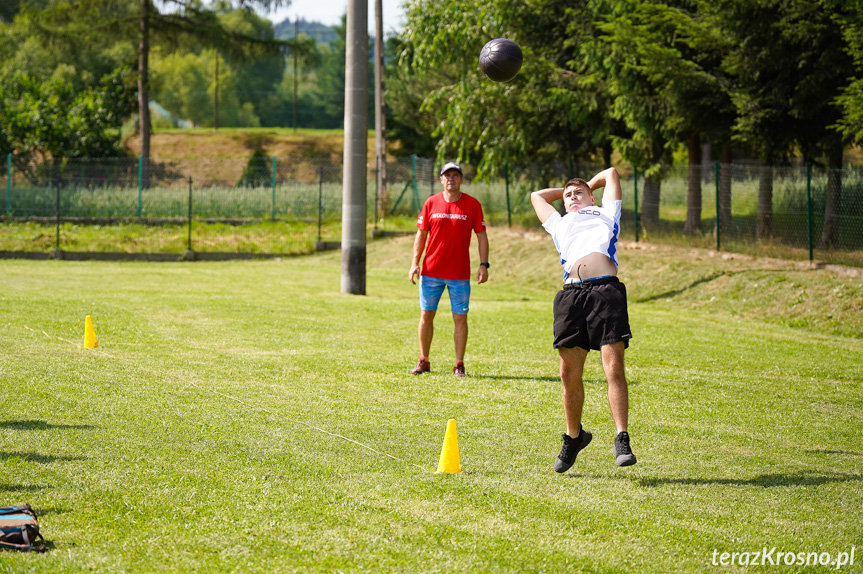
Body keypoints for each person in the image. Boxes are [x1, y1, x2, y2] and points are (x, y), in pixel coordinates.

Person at [530, 167, 637, 472]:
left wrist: (585, 186)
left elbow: (612, 173)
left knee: (613, 367)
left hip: (606, 291)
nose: (573, 197)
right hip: (571, 295)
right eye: (567, 196)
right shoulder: (559, 223)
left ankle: (621, 437)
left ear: (593, 197)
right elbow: (537, 196)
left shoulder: (606, 213)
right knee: (568, 374)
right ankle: (573, 436)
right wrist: (569, 192)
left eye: (579, 193)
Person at [409, 161, 489, 377]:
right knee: (426, 314)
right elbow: (421, 234)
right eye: (447, 175)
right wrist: (415, 263)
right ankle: (423, 360)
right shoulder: (431, 203)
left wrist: (484, 264)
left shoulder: (472, 204)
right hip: (431, 272)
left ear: (461, 179)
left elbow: (481, 235)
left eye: (456, 175)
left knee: (460, 318)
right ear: (441, 179)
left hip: (459, 274)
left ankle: (459, 364)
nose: (451, 179)